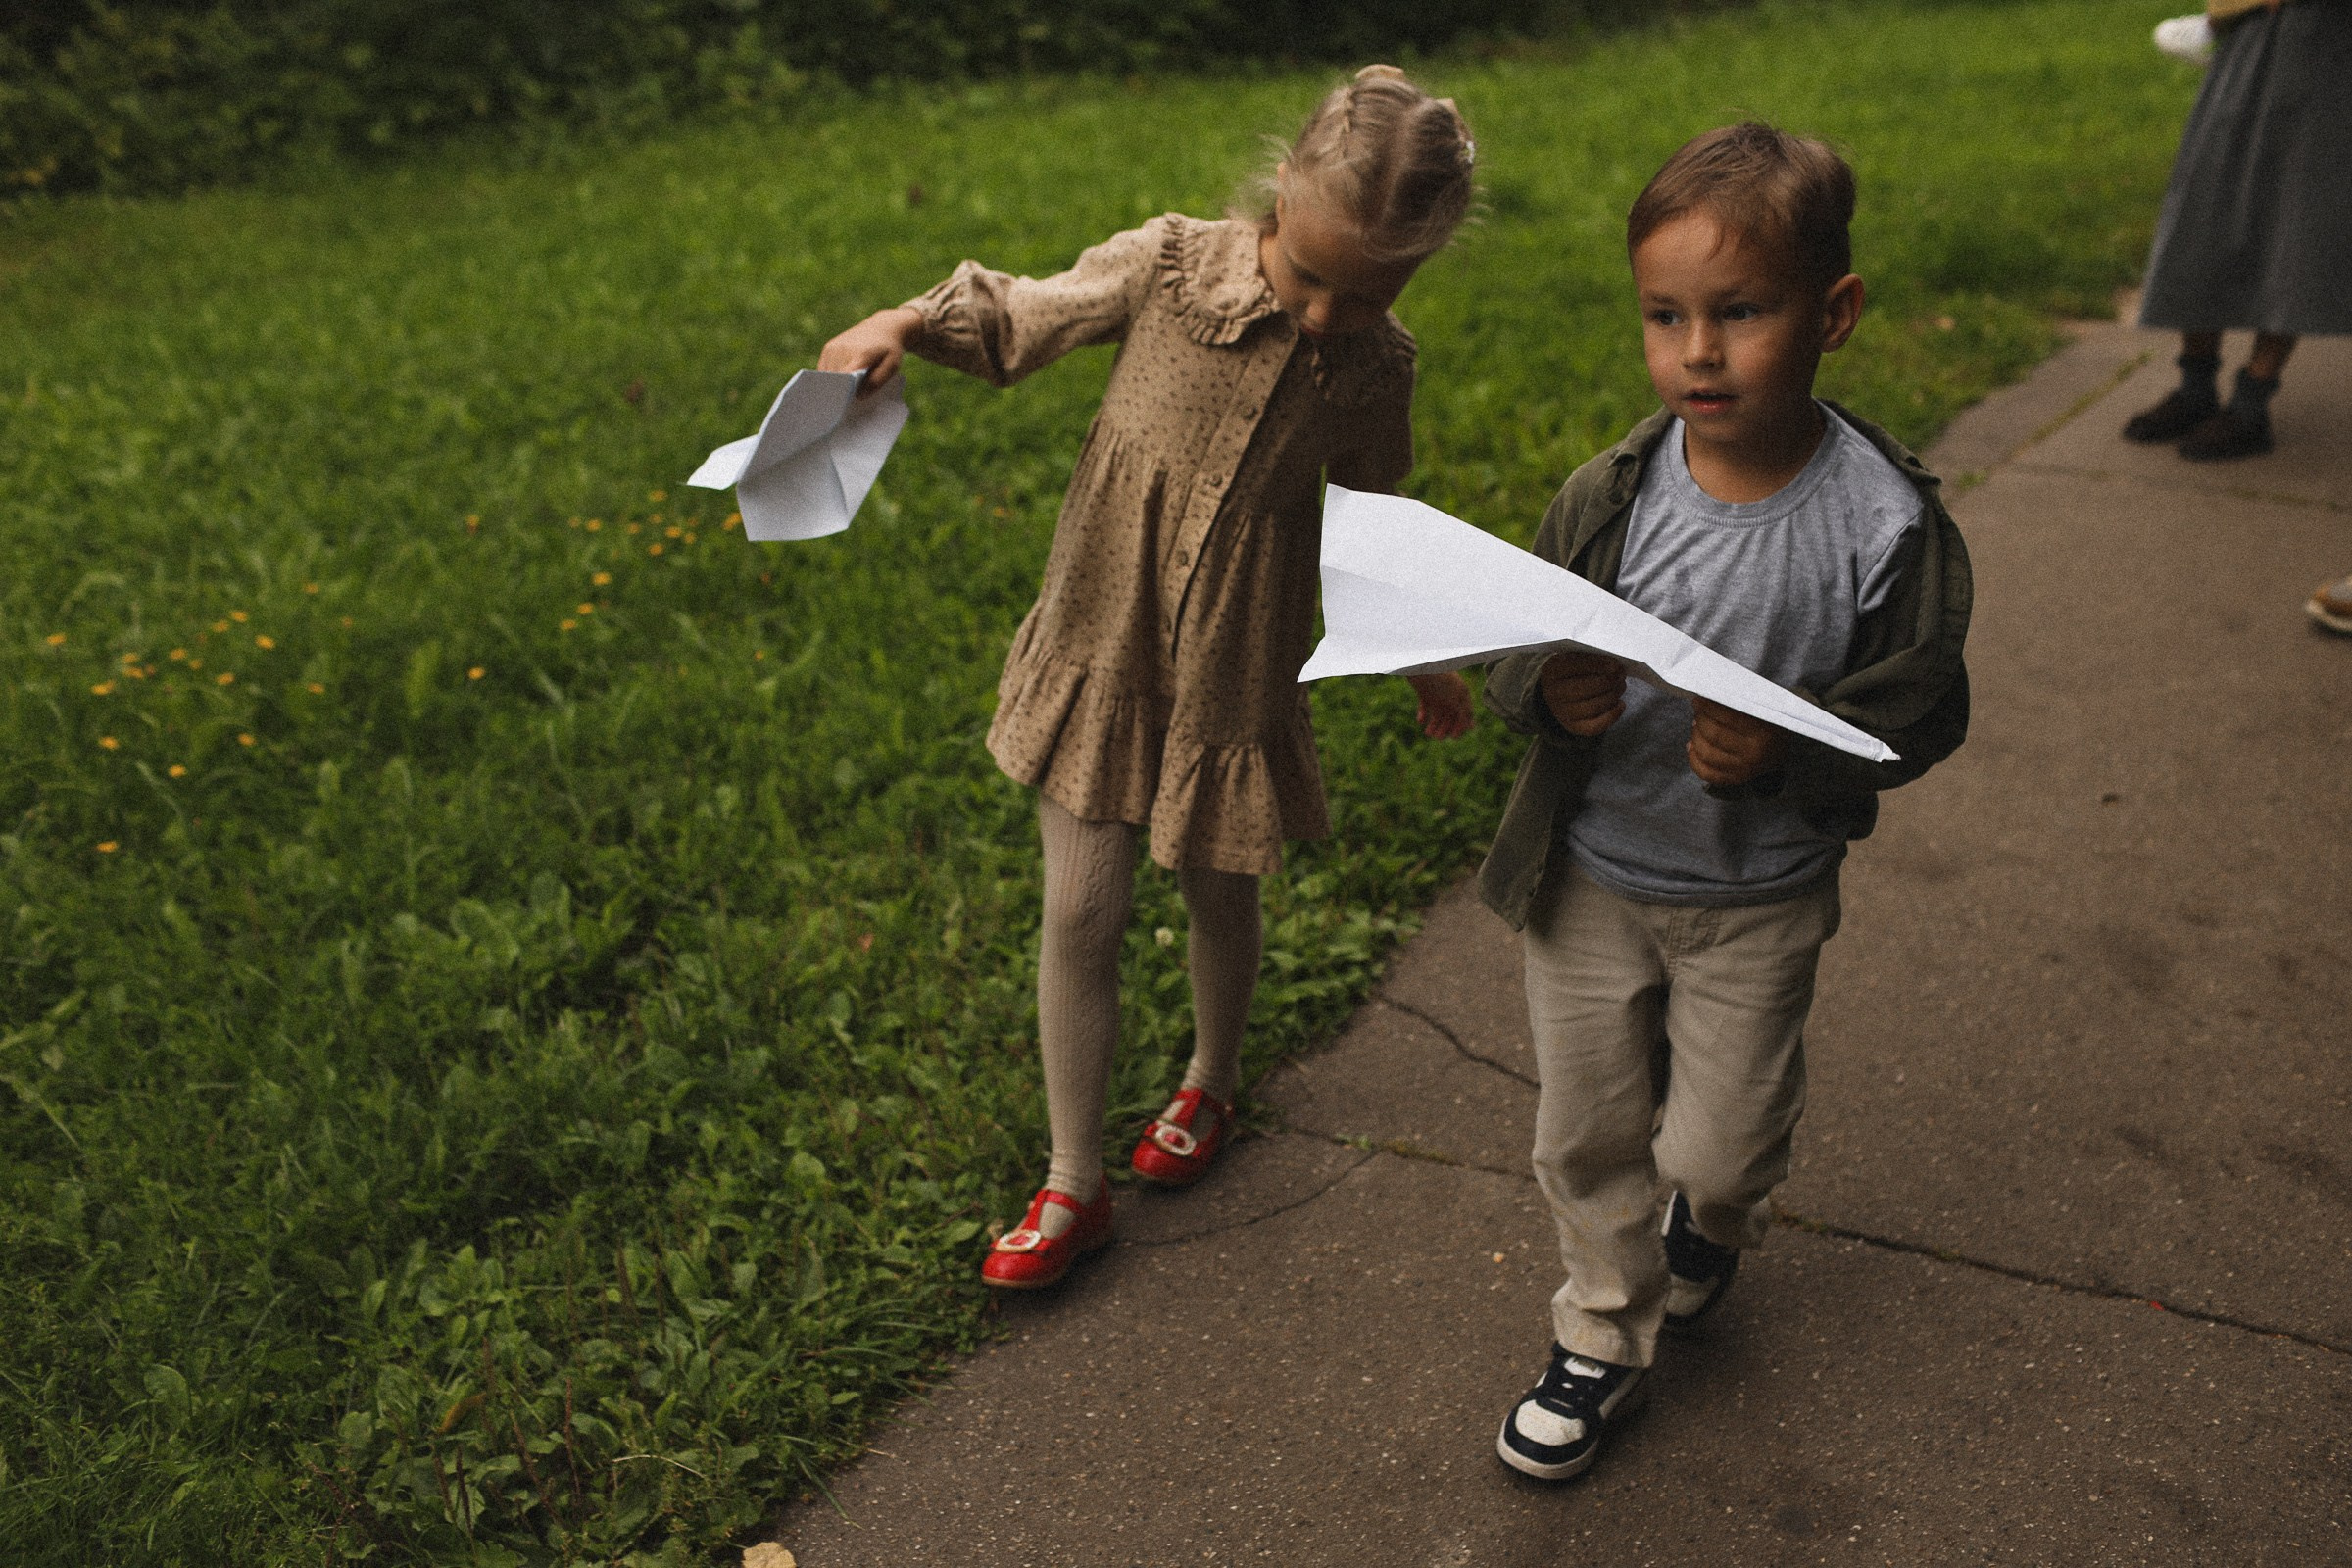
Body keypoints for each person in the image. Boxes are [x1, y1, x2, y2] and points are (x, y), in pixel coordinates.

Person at [817, 66, 1478, 1291]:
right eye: (1313, 274)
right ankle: (1075, 1178)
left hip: (1237, 667)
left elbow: (1375, 514)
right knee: (1084, 907)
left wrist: (1417, 648)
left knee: (1218, 887)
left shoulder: (1378, 367)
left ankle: (1210, 1083)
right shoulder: (1172, 268)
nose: (1333, 312)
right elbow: (1024, 317)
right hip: (1104, 640)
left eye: (1371, 289)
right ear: (1280, 190)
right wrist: (900, 325)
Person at [1475, 123, 1972, 1481]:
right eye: (1665, 316)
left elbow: (1920, 714)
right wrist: (1549, 688)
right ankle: (1600, 1335)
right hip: (1590, 876)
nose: (1698, 351)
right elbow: (1520, 632)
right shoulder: (1617, 498)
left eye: (1740, 313)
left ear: (1835, 315)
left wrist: (1789, 762)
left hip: (1756, 896)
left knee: (1720, 1146)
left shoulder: (1885, 525)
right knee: (1584, 1133)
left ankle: (1717, 1221)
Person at [2121, 0, 2352, 461]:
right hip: (2249, 40)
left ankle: (2251, 404)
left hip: (2330, 52)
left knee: (2297, 220)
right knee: (2207, 207)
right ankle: (2196, 388)